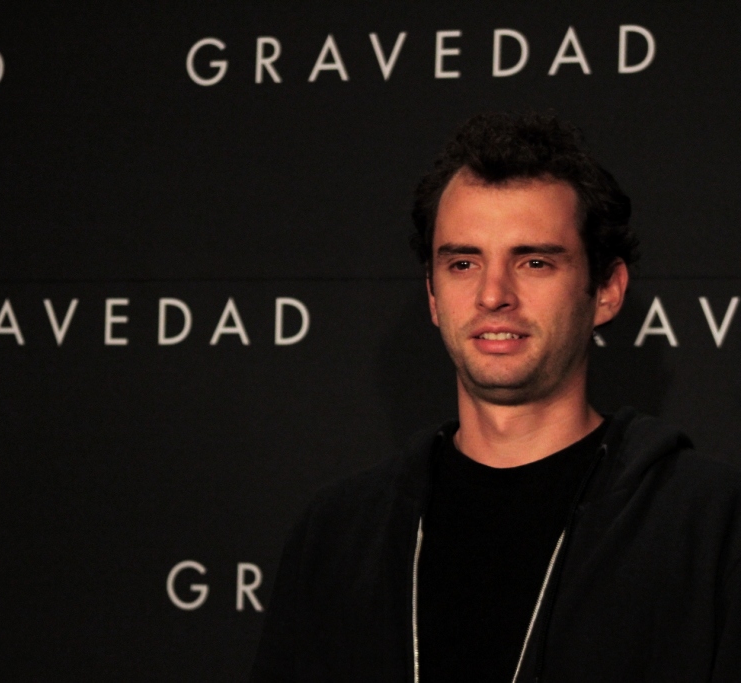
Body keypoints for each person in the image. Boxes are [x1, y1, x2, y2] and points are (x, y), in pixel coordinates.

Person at [250, 112, 741, 682]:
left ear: (607, 290)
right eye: (463, 263)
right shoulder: (338, 535)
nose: (492, 295)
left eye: (534, 262)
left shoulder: (709, 525)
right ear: (433, 295)